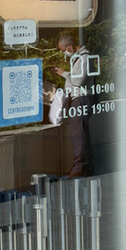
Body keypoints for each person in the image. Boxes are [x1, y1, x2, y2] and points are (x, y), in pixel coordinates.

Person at [51, 32, 95, 178]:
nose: (64, 53)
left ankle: (79, 167)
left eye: (63, 50)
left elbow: (78, 80)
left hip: (80, 98)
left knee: (78, 134)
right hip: (80, 98)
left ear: (69, 46)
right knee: (82, 134)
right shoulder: (80, 58)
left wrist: (64, 74)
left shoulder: (84, 57)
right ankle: (86, 167)